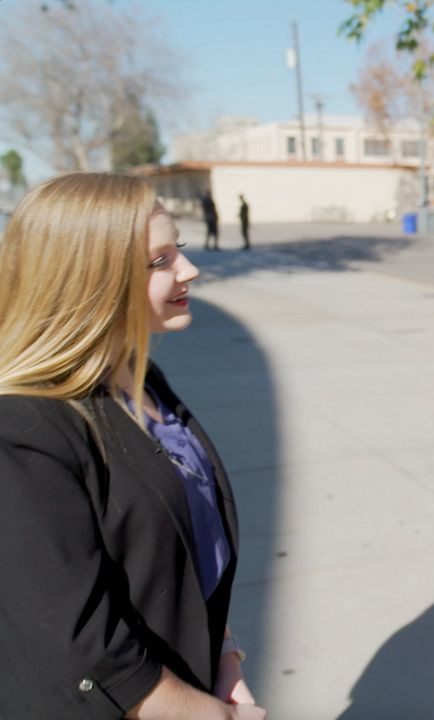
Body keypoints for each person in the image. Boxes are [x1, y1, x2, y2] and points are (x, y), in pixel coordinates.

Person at [0, 174, 265, 719]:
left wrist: (226, 658)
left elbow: (184, 554)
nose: (188, 271)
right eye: (159, 261)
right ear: (89, 279)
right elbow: (88, 651)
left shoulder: (144, 380)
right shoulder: (25, 433)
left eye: (180, 251)